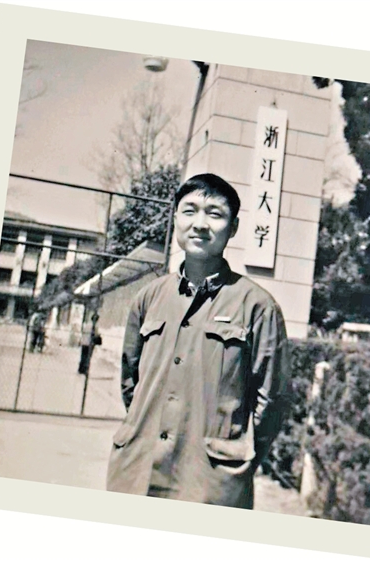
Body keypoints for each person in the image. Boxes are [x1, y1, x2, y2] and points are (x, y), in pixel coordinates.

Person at [106, 173, 289, 509]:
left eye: (214, 214)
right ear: (175, 218)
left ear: (233, 227)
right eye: (189, 211)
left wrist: (235, 458)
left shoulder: (258, 306)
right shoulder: (148, 298)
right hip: (135, 473)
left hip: (210, 486)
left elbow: (272, 402)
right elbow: (130, 383)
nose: (200, 224)